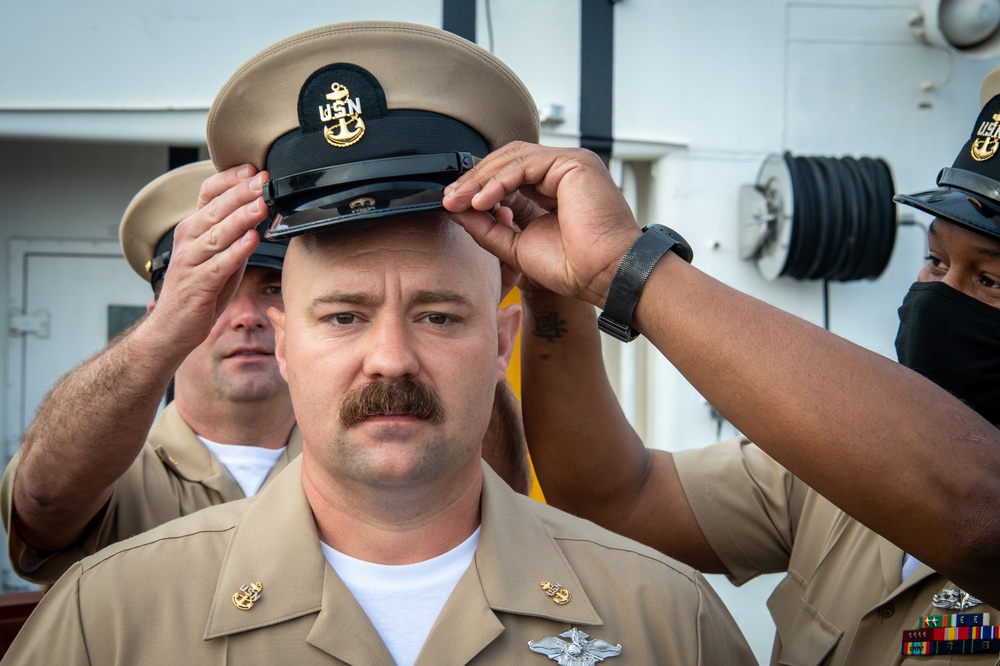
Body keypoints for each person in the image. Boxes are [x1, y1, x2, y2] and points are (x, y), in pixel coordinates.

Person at [1, 22, 755, 664]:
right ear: (287, 343)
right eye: (343, 316)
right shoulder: (108, 620)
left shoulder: (668, 621)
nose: (391, 357)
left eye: (438, 315)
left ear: (502, 344)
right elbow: (42, 505)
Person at [442, 67, 1000, 662]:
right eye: (936, 261)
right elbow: (617, 499)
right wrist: (555, 291)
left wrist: (623, 268)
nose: (945, 296)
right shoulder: (842, 466)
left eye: (990, 277)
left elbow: (976, 515)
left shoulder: (932, 483)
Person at [0, 159, 531, 590]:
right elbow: (42, 504)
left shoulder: (377, 450)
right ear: (162, 318)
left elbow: (499, 487)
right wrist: (166, 332)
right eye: (214, 295)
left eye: (272, 288)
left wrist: (474, 305)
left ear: (292, 325)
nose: (245, 315)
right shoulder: (112, 471)